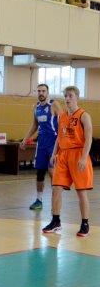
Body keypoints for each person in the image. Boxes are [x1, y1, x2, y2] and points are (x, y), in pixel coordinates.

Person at [42, 86, 93, 237]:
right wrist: (54, 154)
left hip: (78, 154)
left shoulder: (84, 116)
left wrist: (84, 157)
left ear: (77, 97)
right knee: (56, 188)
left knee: (81, 191)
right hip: (63, 155)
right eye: (65, 96)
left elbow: (88, 139)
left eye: (70, 96)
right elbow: (59, 137)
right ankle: (56, 221)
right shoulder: (62, 116)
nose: (67, 98)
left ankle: (85, 224)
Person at [20, 84, 61, 211]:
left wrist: (63, 141)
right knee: (40, 172)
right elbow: (34, 125)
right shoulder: (36, 107)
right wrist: (25, 139)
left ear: (47, 92)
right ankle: (39, 200)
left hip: (53, 142)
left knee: (52, 171)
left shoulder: (54, 104)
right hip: (41, 143)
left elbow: (63, 123)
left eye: (43, 91)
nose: (41, 93)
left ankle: (56, 198)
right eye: (39, 91)